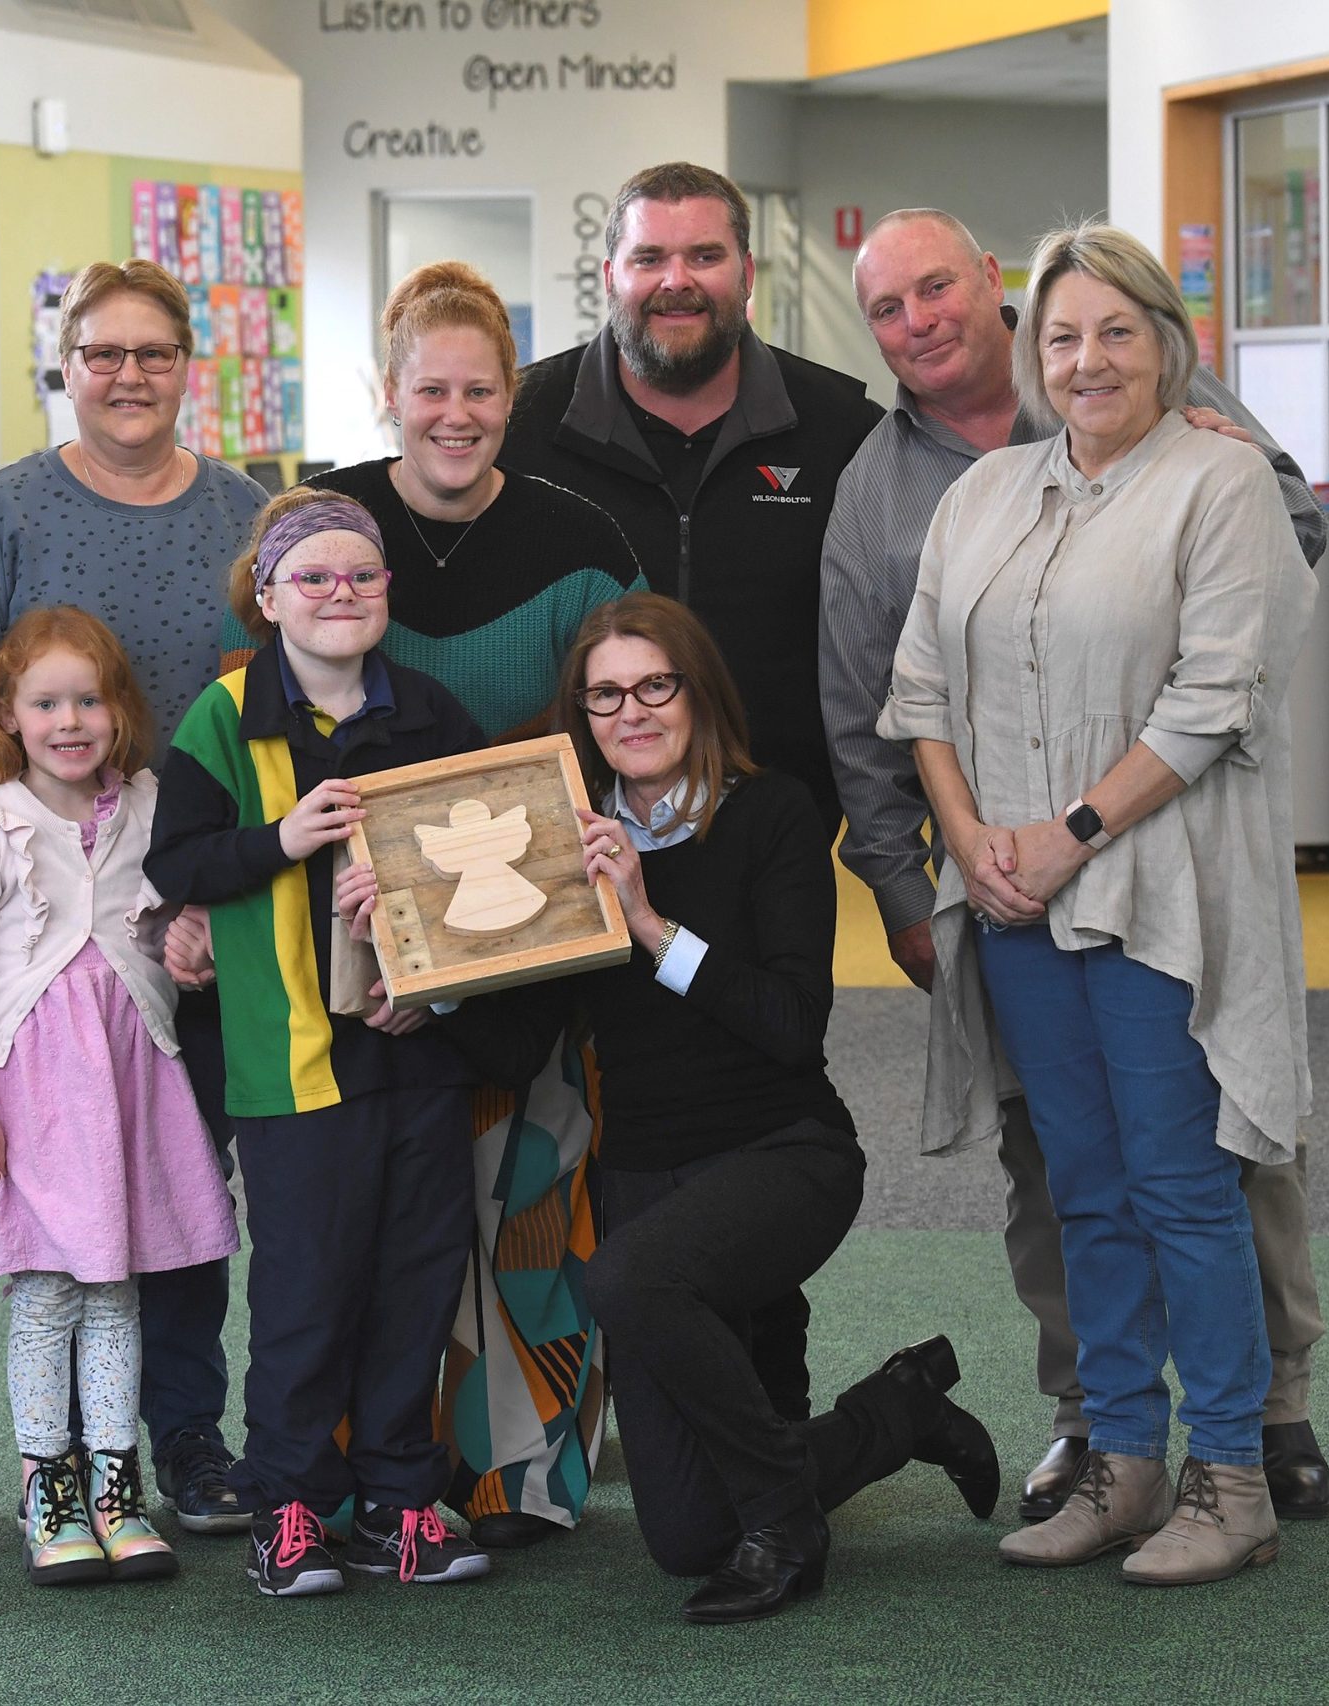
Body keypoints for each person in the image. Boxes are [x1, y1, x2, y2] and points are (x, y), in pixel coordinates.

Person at [817, 207, 1329, 1523]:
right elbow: (901, 690)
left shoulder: (1216, 466)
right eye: (1069, 338)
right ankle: (1112, 1448)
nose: (1088, 357)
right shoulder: (951, 490)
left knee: (1193, 1176)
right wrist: (958, 855)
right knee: (1074, 1183)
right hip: (1007, 900)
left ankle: (1241, 1453)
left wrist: (1068, 835)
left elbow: (1223, 684)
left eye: (1114, 332)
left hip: (1158, 892)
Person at [411, 593, 997, 1625]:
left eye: (652, 685)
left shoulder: (770, 813)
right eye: (602, 695)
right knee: (684, 1536)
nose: (629, 711)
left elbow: (787, 1023)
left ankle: (787, 1521)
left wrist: (645, 920)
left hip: (784, 1151)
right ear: (580, 715)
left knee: (625, 1275)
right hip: (648, 1168)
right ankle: (897, 1410)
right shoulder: (572, 845)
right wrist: (431, 981)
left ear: (696, 691)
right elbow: (514, 1047)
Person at [499, 159, 883, 1425]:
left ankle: (766, 1405)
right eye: (650, 258)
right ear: (607, 273)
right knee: (601, 1126)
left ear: (744, 274)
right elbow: (400, 504)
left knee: (752, 1093)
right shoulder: (529, 415)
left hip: (763, 835)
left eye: (703, 257)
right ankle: (586, 1415)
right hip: (580, 836)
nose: (676, 282)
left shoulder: (836, 427)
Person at [0, 257, 266, 1533]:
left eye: (153, 353)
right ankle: (63, 1454)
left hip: (219, 901)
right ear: (67, 367)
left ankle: (184, 1435)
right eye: (102, 354)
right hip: (63, 918)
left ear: (189, 365)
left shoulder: (245, 509)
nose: (128, 376)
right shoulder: (8, 512)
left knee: (189, 1182)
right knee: (80, 1191)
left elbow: (284, 694)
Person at [308, 260, 641, 1549]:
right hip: (350, 945)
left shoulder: (574, 541)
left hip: (531, 943)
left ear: (515, 394)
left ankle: (522, 1471)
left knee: (528, 1203)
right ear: (386, 392)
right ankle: (348, 1469)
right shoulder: (323, 526)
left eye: (481, 388)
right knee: (368, 1217)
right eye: (429, 388)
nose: (456, 412)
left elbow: (632, 722)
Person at [145, 490, 492, 1597]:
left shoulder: (431, 711)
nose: (341, 594)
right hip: (288, 1061)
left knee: (413, 1284)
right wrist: (280, 840)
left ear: (389, 591)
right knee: (304, 1290)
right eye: (315, 578)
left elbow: (487, 868)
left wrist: (432, 991)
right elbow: (176, 864)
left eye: (362, 576)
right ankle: (287, 1501)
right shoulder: (225, 713)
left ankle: (400, 1498)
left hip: (419, 1051)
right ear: (268, 594)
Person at [0, 606, 240, 1588]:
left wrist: (188, 940)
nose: (70, 720)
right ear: (8, 716)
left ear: (119, 709)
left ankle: (115, 1482)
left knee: (117, 1284)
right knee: (48, 1289)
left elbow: (168, 914)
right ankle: (46, 1481)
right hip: (40, 1084)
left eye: (89, 699)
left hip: (132, 1068)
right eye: (46, 701)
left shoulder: (147, 808)